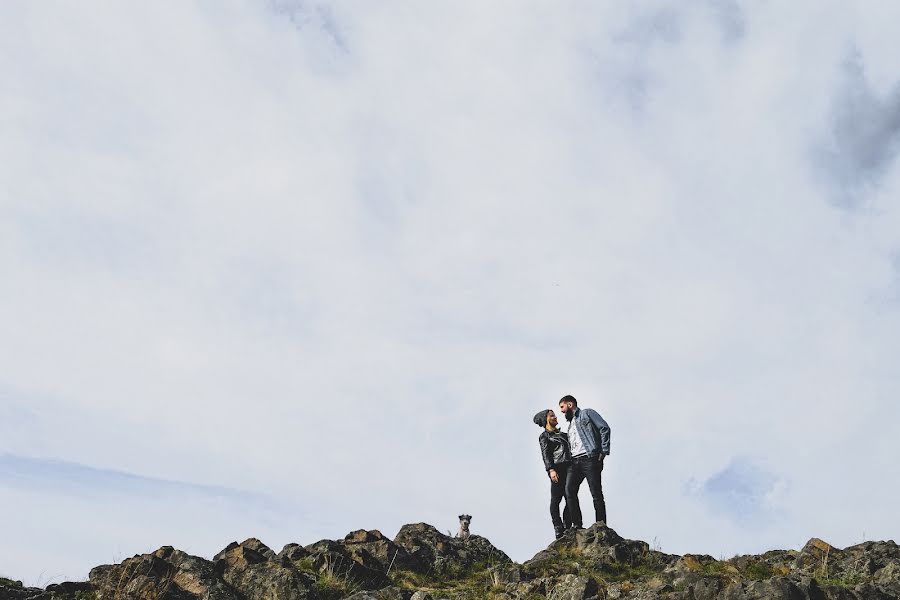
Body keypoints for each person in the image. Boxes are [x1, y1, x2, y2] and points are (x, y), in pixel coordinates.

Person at [558, 394, 611, 527]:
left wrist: (603, 452)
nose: (561, 411)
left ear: (570, 404)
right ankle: (577, 524)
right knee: (569, 490)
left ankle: (600, 525)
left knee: (596, 493)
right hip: (574, 462)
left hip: (590, 459)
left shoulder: (587, 413)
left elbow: (604, 428)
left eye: (562, 407)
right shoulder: (570, 426)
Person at [534, 409, 573, 539]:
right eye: (552, 415)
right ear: (546, 419)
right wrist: (551, 470)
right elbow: (545, 454)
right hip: (557, 469)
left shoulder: (564, 434)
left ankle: (568, 526)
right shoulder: (544, 436)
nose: (556, 417)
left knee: (570, 497)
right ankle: (558, 526)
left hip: (570, 467)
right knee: (556, 499)